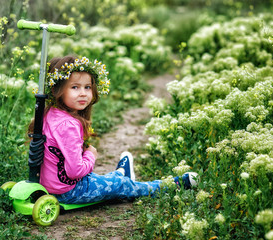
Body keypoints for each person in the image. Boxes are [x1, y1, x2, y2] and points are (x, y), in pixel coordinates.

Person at [28, 55, 197, 204]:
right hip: (69, 191)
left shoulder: (49, 113)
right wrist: (90, 155)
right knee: (122, 186)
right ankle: (173, 185)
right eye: (75, 87)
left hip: (51, 185)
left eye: (87, 87)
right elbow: (75, 171)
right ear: (57, 90)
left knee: (101, 180)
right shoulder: (68, 125)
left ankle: (121, 173)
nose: (83, 93)